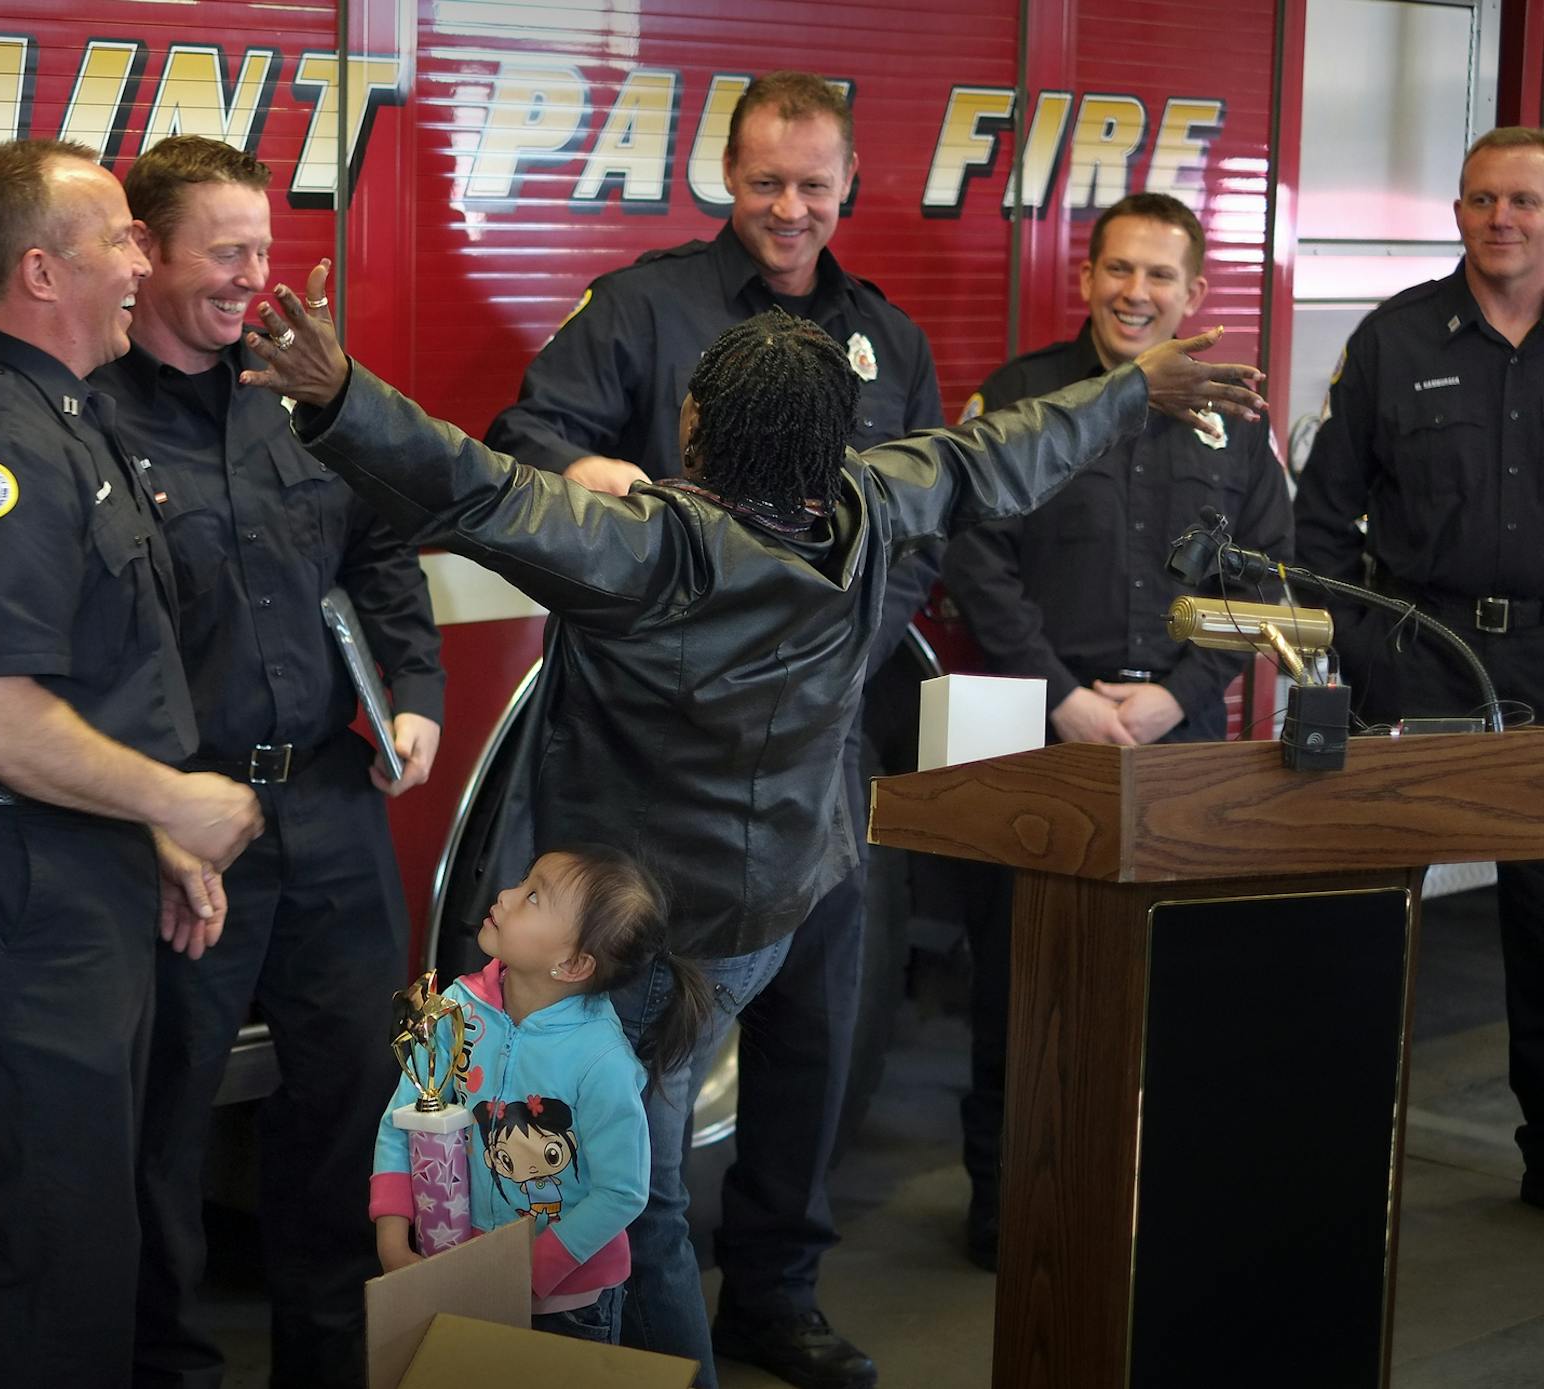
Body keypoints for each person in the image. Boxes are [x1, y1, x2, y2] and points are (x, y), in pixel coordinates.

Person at [244, 267, 1264, 1385]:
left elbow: (474, 487)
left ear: (696, 426)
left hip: (637, 936)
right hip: (767, 912)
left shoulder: (647, 551)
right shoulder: (871, 506)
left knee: (632, 1202)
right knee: (631, 1173)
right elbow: (997, 455)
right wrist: (1134, 387)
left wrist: (340, 391)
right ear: (831, 440)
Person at [482, 70, 942, 1387]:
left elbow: (919, 530)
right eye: (764, 182)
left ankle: (777, 1295)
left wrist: (829, 651)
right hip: (662, 780)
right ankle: (632, 1310)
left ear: (850, 185)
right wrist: (596, 477)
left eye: (813, 184)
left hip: (822, 762)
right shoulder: (645, 308)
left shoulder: (888, 338)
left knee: (817, 1027)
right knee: (646, 1076)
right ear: (722, 177)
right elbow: (526, 437)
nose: (789, 209)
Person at [0, 137, 263, 1387]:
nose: (144, 261)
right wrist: (175, 801)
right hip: (15, 888)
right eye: (121, 240)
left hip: (69, 865)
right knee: (62, 1250)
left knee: (56, 1216)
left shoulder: (64, 414)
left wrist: (141, 833)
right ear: (42, 272)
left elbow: (88, 684)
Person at [90, 135, 446, 1389]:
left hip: (331, 807)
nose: (256, 278)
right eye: (226, 252)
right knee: (164, 1123)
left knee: (352, 1105)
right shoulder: (89, 414)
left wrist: (414, 693)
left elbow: (380, 549)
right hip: (186, 831)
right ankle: (168, 1367)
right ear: (146, 252)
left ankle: (329, 1363)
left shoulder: (301, 390)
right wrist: (151, 817)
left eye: (264, 249)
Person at [942, 192, 1294, 1267]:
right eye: (1119, 270)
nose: (1136, 293)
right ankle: (1011, 1212)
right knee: (1024, 984)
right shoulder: (1020, 399)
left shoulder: (1237, 417)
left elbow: (1264, 574)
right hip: (1042, 730)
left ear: (1195, 293)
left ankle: (1157, 1203)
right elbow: (975, 556)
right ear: (1087, 278)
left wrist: (1181, 694)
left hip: (1180, 740)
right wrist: (1062, 694)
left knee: (1177, 981)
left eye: (1159, 275)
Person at [1292, 125, 1544, 1214]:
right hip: (1424, 655)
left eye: (1525, 201)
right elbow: (1318, 524)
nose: (1503, 219)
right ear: (1456, 213)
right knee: (1370, 913)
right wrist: (1368, 652)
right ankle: (1335, 1151)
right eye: (1483, 199)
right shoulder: (1393, 340)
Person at [371, 846, 709, 1346]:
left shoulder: (602, 1061)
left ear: (571, 964)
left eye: (532, 897)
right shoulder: (455, 1009)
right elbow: (401, 1119)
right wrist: (392, 1242)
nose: (506, 895)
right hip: (454, 1273)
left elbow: (622, 1191)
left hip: (567, 1308)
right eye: (523, 882)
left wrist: (527, 1273)